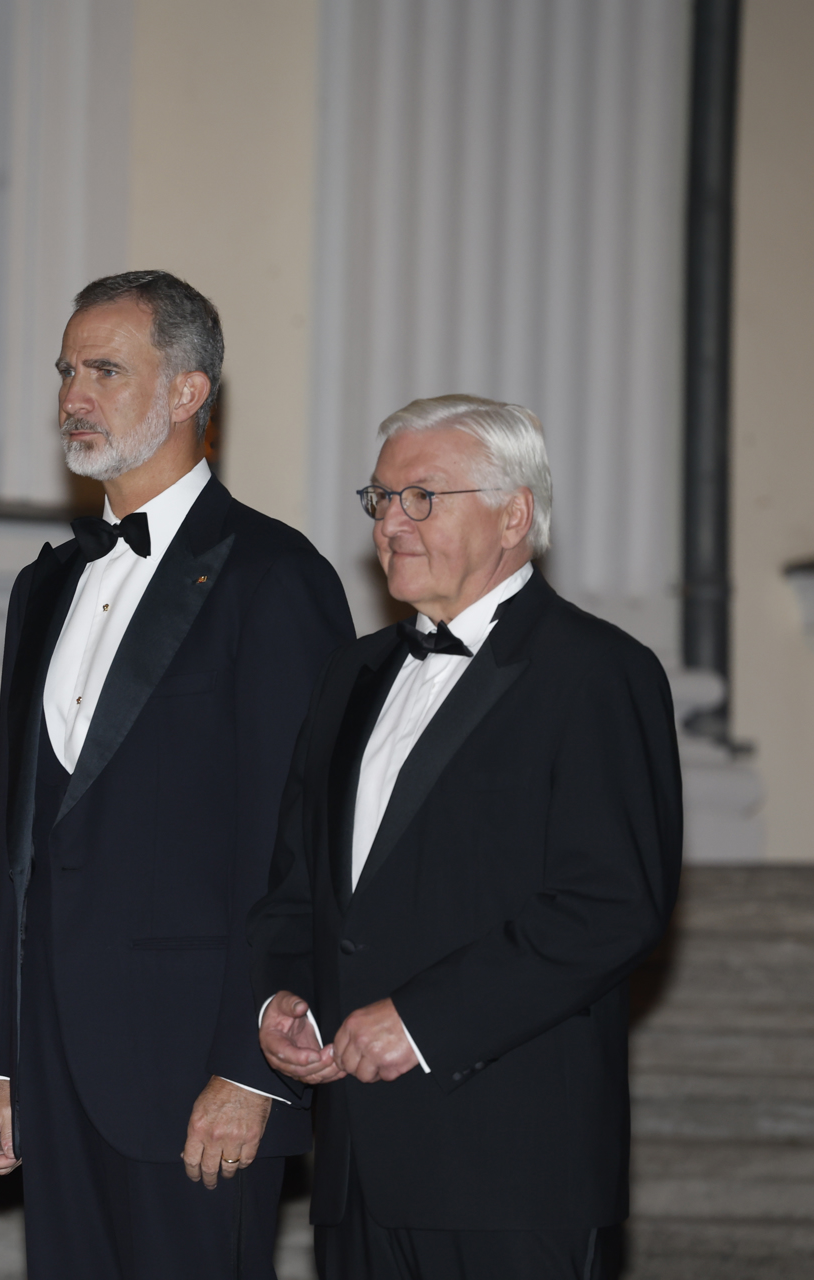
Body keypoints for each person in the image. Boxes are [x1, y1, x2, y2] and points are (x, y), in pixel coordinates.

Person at [0, 270, 353, 1277]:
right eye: (65, 370)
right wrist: (1, 1060)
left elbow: (299, 844)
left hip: (198, 1067)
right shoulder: (44, 586)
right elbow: (22, 846)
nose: (72, 394)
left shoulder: (276, 575)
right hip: (55, 1065)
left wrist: (253, 1069)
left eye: (104, 368)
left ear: (189, 390)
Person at [249, 396, 683, 1279]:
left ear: (514, 514)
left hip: (513, 1172)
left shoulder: (598, 672)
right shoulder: (351, 674)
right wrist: (283, 998)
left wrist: (421, 1019)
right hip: (357, 1174)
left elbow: (611, 906)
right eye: (381, 499)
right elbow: (301, 886)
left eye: (423, 498)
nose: (392, 524)